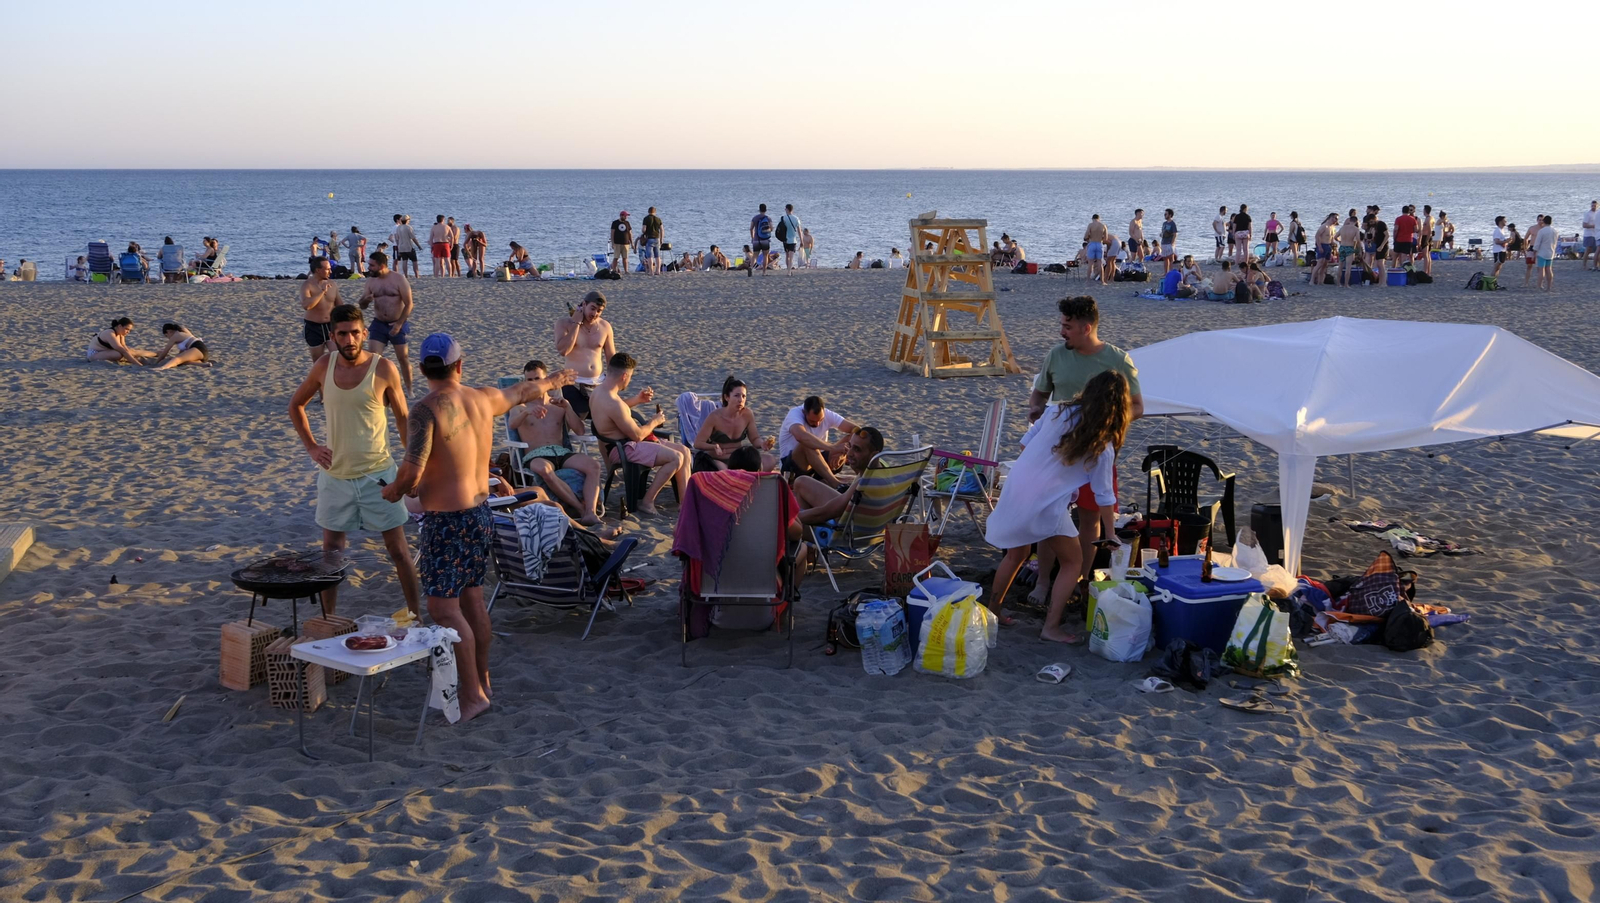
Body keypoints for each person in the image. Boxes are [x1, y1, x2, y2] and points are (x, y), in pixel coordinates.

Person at [380, 333, 574, 723]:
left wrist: (394, 491)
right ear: (460, 365)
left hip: (447, 522)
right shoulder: (483, 398)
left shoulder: (425, 410)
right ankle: (482, 681)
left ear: (421, 369)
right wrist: (553, 381)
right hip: (479, 514)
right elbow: (522, 390)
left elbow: (411, 471)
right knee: (472, 602)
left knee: (444, 611)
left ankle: (472, 695)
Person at [288, 304, 423, 620]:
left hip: (379, 476)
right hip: (336, 477)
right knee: (331, 555)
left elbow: (403, 419)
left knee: (399, 552)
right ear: (333, 337)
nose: (349, 340)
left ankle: (416, 614)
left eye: (354, 333)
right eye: (342, 334)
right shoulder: (324, 366)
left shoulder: (384, 369)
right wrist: (311, 447)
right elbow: (296, 405)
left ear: (364, 333)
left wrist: (411, 468)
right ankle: (328, 620)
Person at [985, 370, 1131, 641]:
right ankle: (1050, 627)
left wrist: (1048, 473)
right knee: (1073, 562)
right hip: (1046, 502)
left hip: (1017, 486)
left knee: (1017, 553)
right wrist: (1111, 533)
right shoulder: (1102, 444)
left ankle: (992, 612)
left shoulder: (1056, 412)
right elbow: (1104, 496)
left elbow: (1024, 445)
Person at [1028, 296, 1141, 602]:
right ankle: (1042, 584)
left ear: (1086, 327)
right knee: (1049, 516)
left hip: (1096, 455)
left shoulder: (1118, 360)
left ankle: (1081, 579)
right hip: (1057, 456)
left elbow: (1137, 407)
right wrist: (1036, 412)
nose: (1061, 331)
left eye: (1067, 326)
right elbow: (1039, 396)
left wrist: (1100, 424)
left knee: (1090, 520)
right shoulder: (1055, 356)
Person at [588, 352, 690, 516]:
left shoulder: (599, 392)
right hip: (622, 448)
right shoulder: (613, 402)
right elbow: (637, 435)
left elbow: (615, 411)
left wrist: (637, 399)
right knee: (675, 458)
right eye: (630, 377)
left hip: (623, 444)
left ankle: (685, 503)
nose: (629, 380)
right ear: (624, 376)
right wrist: (654, 421)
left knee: (684, 451)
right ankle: (647, 502)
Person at [508, 360, 602, 525]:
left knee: (594, 466)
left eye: (538, 379)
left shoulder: (558, 405)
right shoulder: (520, 406)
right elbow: (512, 424)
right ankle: (580, 509)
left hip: (561, 452)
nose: (534, 384)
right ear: (524, 383)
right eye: (529, 380)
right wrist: (527, 413)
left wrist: (568, 408)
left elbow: (580, 431)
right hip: (536, 455)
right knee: (544, 469)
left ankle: (591, 512)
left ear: (547, 380)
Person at [791, 426, 884, 525]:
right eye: (850, 446)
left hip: (848, 532)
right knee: (802, 482)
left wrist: (790, 519)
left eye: (857, 449)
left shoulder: (864, 482)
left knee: (800, 484)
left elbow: (823, 514)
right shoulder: (885, 472)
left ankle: (804, 533)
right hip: (868, 527)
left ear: (873, 455)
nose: (849, 453)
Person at [552, 289, 623, 416]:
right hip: (573, 384)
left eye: (599, 311)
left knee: (609, 419)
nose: (595, 313)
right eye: (592, 308)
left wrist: (615, 382)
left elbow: (611, 358)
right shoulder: (564, 324)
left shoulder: (605, 326)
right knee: (575, 419)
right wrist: (576, 323)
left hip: (598, 384)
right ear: (583, 304)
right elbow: (563, 350)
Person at [358, 251, 415, 394]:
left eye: (372, 265)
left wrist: (399, 324)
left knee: (403, 358)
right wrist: (366, 300)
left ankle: (409, 389)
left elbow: (409, 304)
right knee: (373, 357)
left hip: (397, 322)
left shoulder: (399, 279)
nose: (368, 268)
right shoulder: (371, 281)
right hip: (379, 323)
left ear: (382, 265)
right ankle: (376, 387)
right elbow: (362, 305)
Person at [692, 376, 776, 472]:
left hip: (738, 460)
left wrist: (762, 444)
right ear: (726, 397)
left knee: (770, 460)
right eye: (736, 395)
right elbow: (698, 443)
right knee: (727, 472)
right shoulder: (715, 417)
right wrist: (714, 447)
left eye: (743, 396)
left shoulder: (747, 414)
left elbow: (754, 438)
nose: (740, 400)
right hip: (718, 460)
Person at [777, 395, 860, 488]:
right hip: (793, 465)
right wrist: (833, 448)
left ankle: (824, 478)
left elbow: (856, 430)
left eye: (820, 420)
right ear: (804, 412)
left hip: (818, 461)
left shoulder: (827, 414)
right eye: (812, 421)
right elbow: (801, 436)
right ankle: (835, 483)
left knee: (852, 437)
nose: (817, 424)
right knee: (806, 444)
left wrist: (843, 452)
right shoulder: (794, 414)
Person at [301, 256, 341, 361]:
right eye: (327, 269)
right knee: (318, 361)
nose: (330, 271)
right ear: (318, 270)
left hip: (330, 325)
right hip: (313, 327)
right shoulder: (307, 285)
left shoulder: (332, 284)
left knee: (337, 356)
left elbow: (340, 306)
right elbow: (307, 305)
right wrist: (322, 292)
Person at [86, 317, 156, 365]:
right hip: (95, 354)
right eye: (126, 329)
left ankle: (156, 353)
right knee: (118, 354)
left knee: (131, 351)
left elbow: (124, 347)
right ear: (119, 326)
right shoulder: (110, 333)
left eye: (129, 330)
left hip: (107, 352)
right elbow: (121, 350)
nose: (128, 332)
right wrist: (137, 364)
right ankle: (136, 361)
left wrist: (132, 353)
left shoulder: (120, 334)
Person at [1336, 211, 1362, 286]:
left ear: (1349, 220)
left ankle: (1338, 283)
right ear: (1356, 221)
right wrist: (1359, 250)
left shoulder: (1343, 228)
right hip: (1350, 248)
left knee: (1340, 266)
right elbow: (1358, 240)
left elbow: (1335, 237)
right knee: (1348, 267)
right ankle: (1346, 284)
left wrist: (1340, 241)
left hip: (1342, 247)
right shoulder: (1355, 229)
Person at [1533, 214, 1557, 292]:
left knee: (1541, 270)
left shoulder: (1542, 231)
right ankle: (1549, 286)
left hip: (1542, 253)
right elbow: (1555, 242)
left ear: (1544, 221)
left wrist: (1534, 252)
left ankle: (1539, 286)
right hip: (1550, 252)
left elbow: (1537, 243)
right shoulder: (1555, 231)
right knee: (1549, 269)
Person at [775, 204, 803, 270]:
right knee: (791, 257)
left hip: (785, 240)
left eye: (785, 209)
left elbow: (779, 229)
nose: (785, 210)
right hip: (793, 240)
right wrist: (801, 241)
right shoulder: (796, 219)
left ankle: (788, 269)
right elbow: (799, 231)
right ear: (792, 210)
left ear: (787, 209)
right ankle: (789, 271)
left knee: (787, 256)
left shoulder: (783, 218)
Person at [750, 204, 776, 273]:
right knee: (765, 255)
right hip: (765, 239)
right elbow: (772, 228)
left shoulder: (755, 218)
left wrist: (752, 238)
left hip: (756, 239)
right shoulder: (768, 218)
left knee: (755, 255)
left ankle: (751, 268)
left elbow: (751, 229)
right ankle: (764, 272)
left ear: (759, 209)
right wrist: (768, 231)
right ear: (766, 210)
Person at [1082, 214, 1109, 282]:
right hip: (1099, 244)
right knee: (1100, 263)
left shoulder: (1090, 225)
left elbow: (1085, 236)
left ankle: (1088, 280)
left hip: (1092, 243)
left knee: (1090, 263)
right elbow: (1106, 238)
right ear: (1099, 219)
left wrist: (1088, 238)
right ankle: (1102, 281)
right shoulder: (1103, 225)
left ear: (1092, 219)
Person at [639, 206, 663, 276]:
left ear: (648, 211)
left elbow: (644, 229)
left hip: (649, 238)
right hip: (657, 238)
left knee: (649, 256)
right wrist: (661, 239)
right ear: (655, 212)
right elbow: (662, 230)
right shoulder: (658, 219)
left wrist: (643, 233)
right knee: (657, 256)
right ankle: (658, 270)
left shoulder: (646, 219)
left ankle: (651, 271)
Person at [609, 211, 633, 276]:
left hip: (626, 243)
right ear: (622, 215)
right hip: (617, 243)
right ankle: (614, 270)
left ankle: (626, 270)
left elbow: (630, 233)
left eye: (626, 216)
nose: (626, 217)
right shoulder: (615, 223)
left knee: (625, 258)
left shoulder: (627, 223)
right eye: (625, 216)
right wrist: (613, 243)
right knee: (616, 257)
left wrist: (632, 243)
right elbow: (612, 233)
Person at [1583, 201, 1599, 270]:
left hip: (1596, 234)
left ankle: (1597, 264)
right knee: (1588, 250)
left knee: (1597, 250)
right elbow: (1584, 225)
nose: (1593, 207)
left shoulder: (1597, 213)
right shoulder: (1588, 214)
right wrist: (1594, 226)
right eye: (1592, 206)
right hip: (1589, 234)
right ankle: (1584, 265)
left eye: (1595, 206)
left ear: (1597, 206)